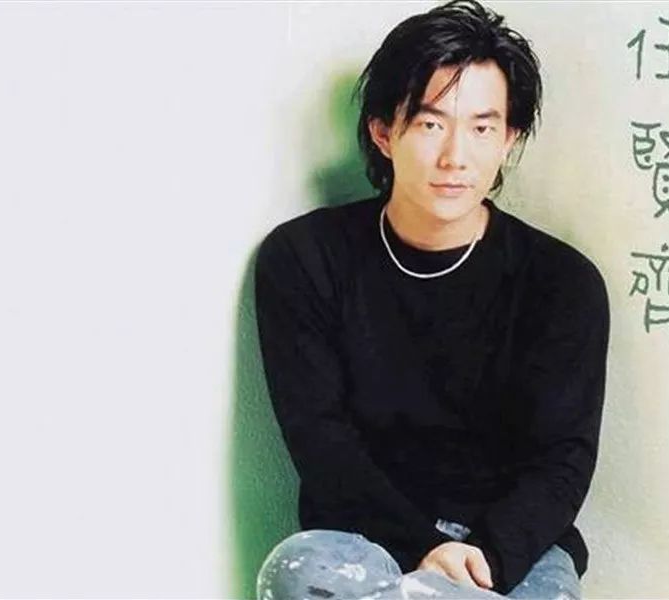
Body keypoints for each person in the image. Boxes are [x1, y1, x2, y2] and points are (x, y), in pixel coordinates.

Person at [253, 1, 610, 598]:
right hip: (360, 538)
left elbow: (562, 461)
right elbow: (321, 441)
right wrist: (425, 551)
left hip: (508, 551)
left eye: (482, 128)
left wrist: (482, 560)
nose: (455, 157)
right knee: (296, 572)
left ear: (509, 139)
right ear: (383, 132)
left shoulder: (562, 283)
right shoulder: (306, 258)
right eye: (430, 123)